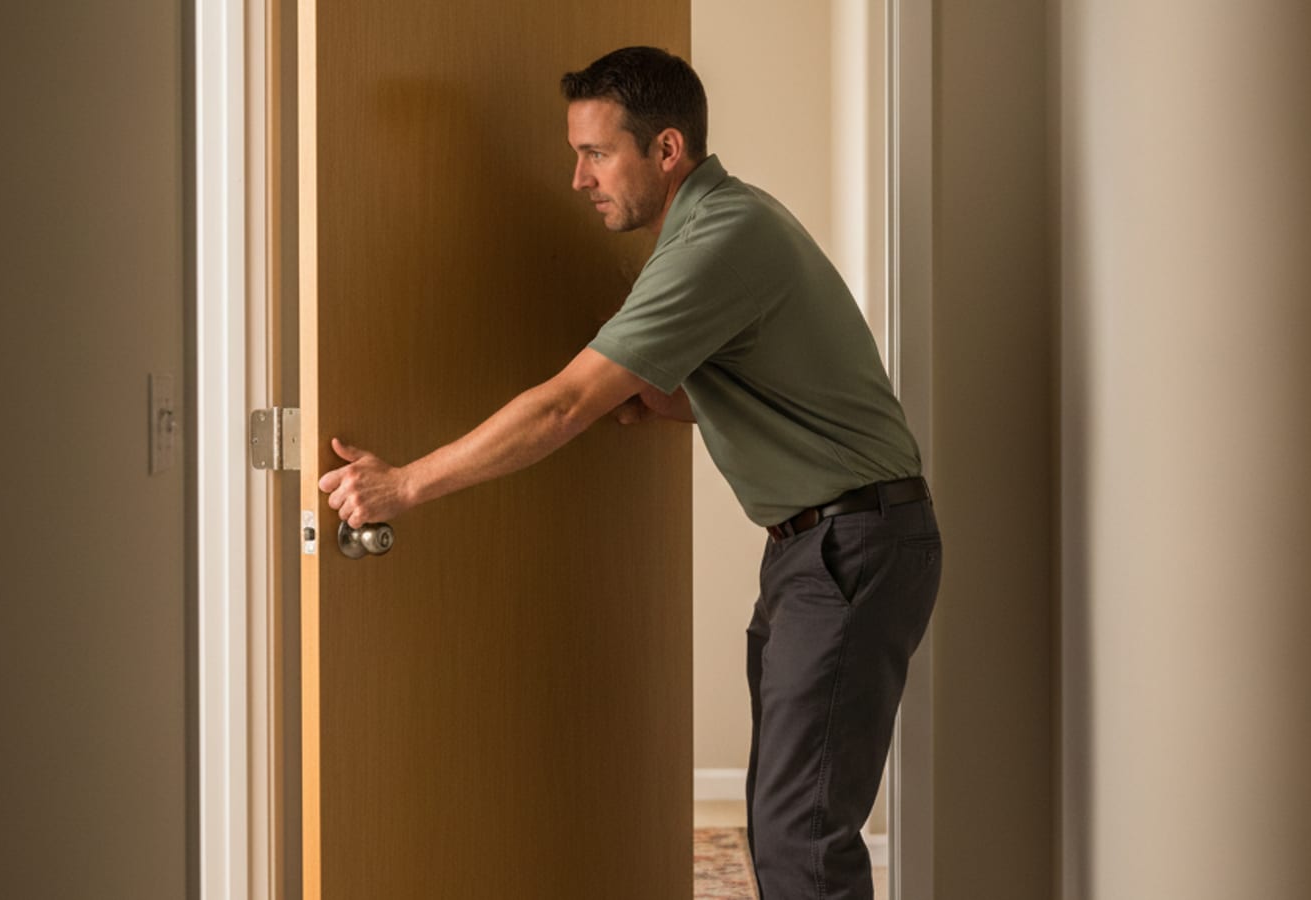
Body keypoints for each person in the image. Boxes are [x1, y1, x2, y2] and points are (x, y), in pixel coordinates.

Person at [318, 45, 942, 900]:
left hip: (848, 546)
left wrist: (404, 486)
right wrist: (671, 402)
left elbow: (565, 404)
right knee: (785, 820)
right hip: (825, 545)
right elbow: (775, 383)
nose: (578, 179)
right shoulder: (710, 226)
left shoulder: (721, 239)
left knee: (802, 835)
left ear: (667, 150)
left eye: (595, 152)